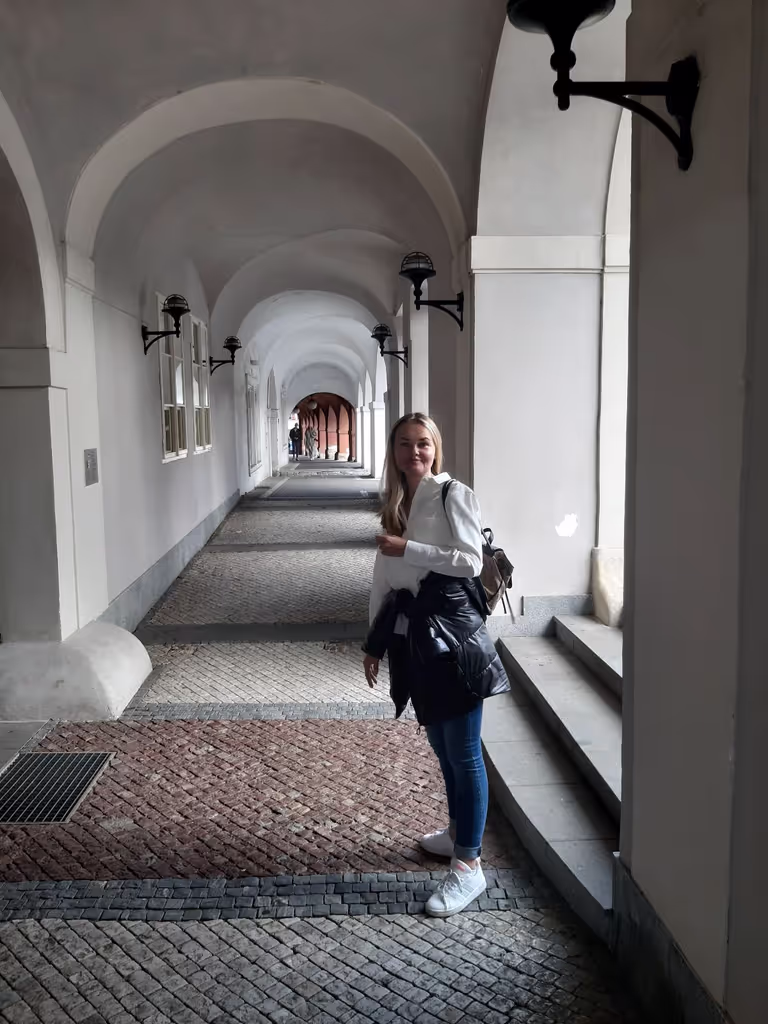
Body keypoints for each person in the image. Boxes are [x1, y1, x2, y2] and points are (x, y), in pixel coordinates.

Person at [362, 412, 510, 918]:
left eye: (423, 444)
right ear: (393, 452)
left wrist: (411, 547)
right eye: (404, 444)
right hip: (415, 641)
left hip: (453, 637)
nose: (415, 453)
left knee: (464, 752)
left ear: (436, 448)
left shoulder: (453, 494)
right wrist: (373, 642)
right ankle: (457, 835)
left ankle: (469, 868)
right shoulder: (396, 502)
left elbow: (469, 561)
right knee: (443, 749)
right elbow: (385, 577)